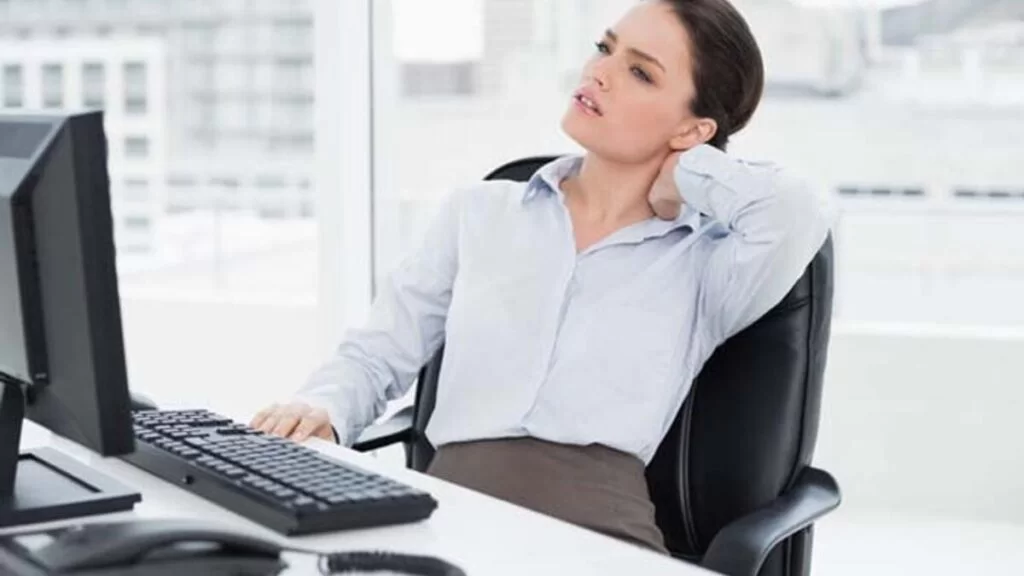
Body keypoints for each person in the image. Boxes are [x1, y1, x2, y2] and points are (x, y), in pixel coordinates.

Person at [250, 0, 834, 555]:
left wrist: (692, 172)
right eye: (605, 48)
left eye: (640, 73)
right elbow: (378, 353)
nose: (600, 72)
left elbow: (800, 211)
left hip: (599, 540)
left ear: (691, 129)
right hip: (446, 520)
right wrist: (323, 409)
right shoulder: (480, 213)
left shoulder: (704, 263)